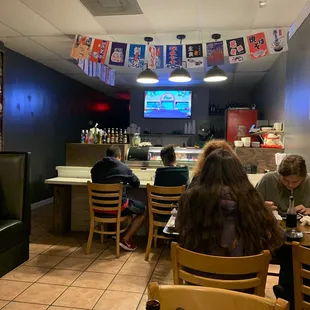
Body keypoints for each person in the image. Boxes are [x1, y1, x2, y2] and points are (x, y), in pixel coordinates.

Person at [176, 148, 283, 257]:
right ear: (239, 173)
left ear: (205, 173)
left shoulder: (190, 198)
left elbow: (179, 229)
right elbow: (276, 237)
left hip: (197, 271)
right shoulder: (252, 199)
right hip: (245, 272)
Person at [91, 146, 146, 251]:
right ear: (119, 156)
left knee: (123, 204)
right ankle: (126, 238)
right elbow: (136, 184)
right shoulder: (123, 168)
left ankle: (118, 234)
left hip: (98, 208)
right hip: (117, 208)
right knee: (143, 210)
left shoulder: (95, 167)